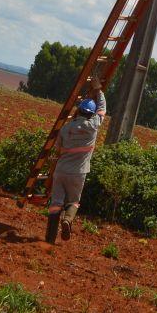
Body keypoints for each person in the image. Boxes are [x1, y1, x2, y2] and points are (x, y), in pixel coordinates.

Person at [46, 80, 106, 244]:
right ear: (90, 114)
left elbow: (57, 151)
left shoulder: (65, 129)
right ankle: (67, 220)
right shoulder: (93, 126)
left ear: (78, 111)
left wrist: (52, 171)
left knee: (56, 203)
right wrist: (98, 90)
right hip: (78, 173)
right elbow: (102, 109)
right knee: (73, 202)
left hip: (61, 171)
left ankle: (49, 238)